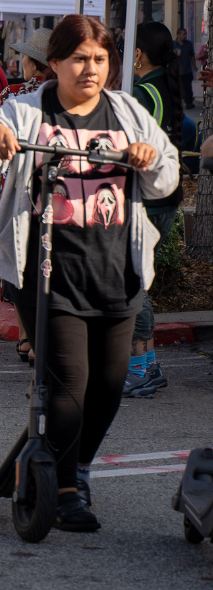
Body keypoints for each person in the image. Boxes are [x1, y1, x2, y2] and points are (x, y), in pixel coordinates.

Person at [0, 14, 179, 532]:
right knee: (68, 384)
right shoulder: (28, 110)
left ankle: (75, 468)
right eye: (79, 58)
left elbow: (167, 178)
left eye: (100, 59)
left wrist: (151, 159)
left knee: (108, 385)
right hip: (44, 270)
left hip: (115, 270)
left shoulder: (128, 112)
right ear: (56, 62)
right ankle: (62, 489)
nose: (90, 69)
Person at [0, 26, 54, 362]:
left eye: (24, 56)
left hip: (20, 193)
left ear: (33, 63)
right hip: (62, 198)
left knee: (18, 267)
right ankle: (42, 339)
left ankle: (27, 338)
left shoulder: (14, 97)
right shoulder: (74, 100)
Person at [124, 21, 185, 398]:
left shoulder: (143, 92)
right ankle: (148, 366)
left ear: (138, 54)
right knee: (137, 281)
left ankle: (141, 368)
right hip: (166, 198)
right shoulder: (163, 87)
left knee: (131, 283)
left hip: (146, 201)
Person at [174, 26, 197, 109]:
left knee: (188, 87)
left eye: (186, 34)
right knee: (178, 88)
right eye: (183, 34)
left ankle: (189, 103)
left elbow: (192, 55)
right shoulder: (173, 44)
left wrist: (194, 66)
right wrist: (173, 53)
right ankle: (178, 104)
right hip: (177, 71)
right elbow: (169, 56)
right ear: (178, 35)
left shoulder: (188, 44)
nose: (185, 36)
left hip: (187, 70)